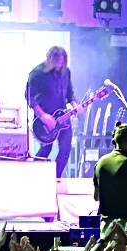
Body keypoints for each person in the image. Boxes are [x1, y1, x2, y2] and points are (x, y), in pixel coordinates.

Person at [27, 46, 77, 178]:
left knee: (66, 149)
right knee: (46, 149)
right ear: (50, 59)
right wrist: (42, 116)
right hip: (44, 120)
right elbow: (29, 96)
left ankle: (55, 178)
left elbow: (70, 92)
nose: (60, 64)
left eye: (62, 61)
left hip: (63, 117)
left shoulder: (66, 72)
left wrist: (74, 104)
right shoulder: (37, 73)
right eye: (57, 61)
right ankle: (33, 176)